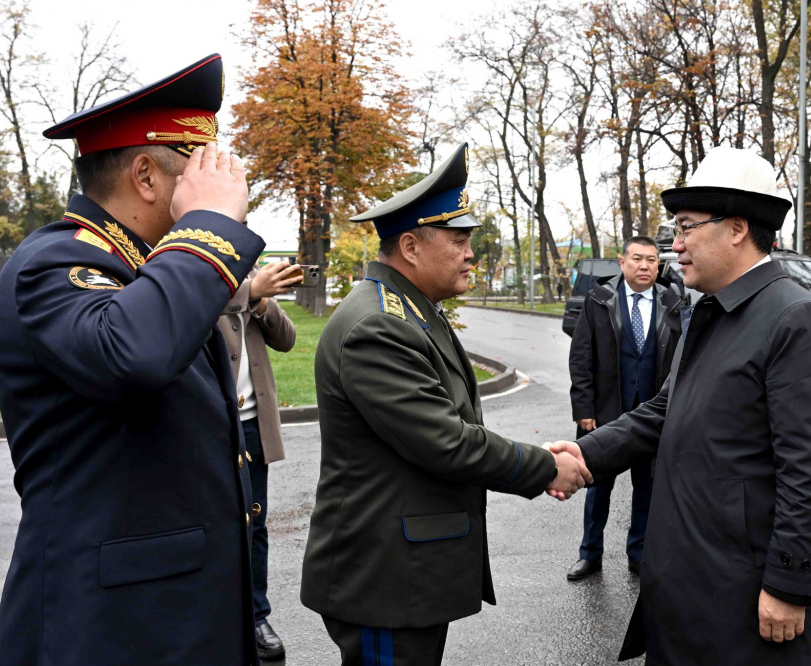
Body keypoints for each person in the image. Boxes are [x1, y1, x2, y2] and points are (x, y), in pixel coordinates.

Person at [0, 55, 266, 665]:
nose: (221, 185)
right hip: (104, 632)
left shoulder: (147, 271)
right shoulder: (51, 265)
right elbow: (135, 353)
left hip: (166, 622)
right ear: (145, 176)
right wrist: (212, 225)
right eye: (199, 171)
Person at [550, 146, 811, 665]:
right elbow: (665, 409)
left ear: (737, 228)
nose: (675, 244)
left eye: (687, 227)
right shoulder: (710, 311)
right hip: (693, 586)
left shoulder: (797, 319)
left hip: (746, 596)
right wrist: (585, 455)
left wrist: (788, 583)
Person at [302, 142, 592, 665]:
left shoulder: (411, 309)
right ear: (411, 247)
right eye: (459, 240)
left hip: (407, 572)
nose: (471, 253)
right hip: (385, 580)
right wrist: (543, 465)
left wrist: (535, 456)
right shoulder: (379, 324)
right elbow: (446, 442)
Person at [566, 236, 682, 581]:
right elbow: (581, 356)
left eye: (651, 260)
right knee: (597, 487)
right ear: (622, 261)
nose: (644, 266)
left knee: (648, 489)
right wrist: (583, 407)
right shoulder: (599, 300)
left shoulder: (672, 302)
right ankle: (590, 554)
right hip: (605, 412)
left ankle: (639, 553)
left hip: (653, 417)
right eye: (637, 259)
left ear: (658, 265)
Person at [217, 259, 302, 660]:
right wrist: (247, 293)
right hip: (214, 427)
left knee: (256, 523)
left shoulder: (251, 277)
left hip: (253, 424)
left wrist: (264, 301)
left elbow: (287, 339)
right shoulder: (196, 266)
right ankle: (215, 618)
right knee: (215, 523)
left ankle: (256, 615)